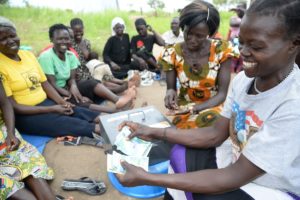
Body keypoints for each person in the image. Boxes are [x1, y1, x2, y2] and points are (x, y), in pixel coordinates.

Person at [116, 0, 300, 199]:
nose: (243, 52)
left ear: (294, 44)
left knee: (206, 195)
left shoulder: (293, 104)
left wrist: (149, 178)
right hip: (235, 161)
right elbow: (215, 134)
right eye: (242, 43)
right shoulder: (242, 81)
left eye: (255, 46)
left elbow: (234, 176)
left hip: (273, 187)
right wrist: (151, 131)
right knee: (178, 155)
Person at [0, 17, 101, 138]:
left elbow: (45, 84)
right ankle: (98, 129)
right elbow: (13, 106)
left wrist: (62, 102)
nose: (10, 41)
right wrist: (53, 108)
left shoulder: (28, 55)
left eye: (12, 36)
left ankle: (106, 120)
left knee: (75, 110)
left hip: (46, 103)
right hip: (24, 114)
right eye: (3, 39)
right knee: (62, 122)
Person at [161, 1, 233, 129]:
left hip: (212, 107)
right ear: (183, 27)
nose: (192, 39)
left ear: (209, 34)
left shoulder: (222, 50)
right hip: (183, 109)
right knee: (183, 136)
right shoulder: (171, 53)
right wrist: (170, 94)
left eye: (199, 36)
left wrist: (194, 109)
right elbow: (171, 88)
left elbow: (222, 95)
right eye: (188, 32)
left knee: (212, 128)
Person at [38, 24, 135, 113]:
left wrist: (74, 87)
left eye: (66, 39)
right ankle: (113, 110)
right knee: (77, 101)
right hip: (54, 92)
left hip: (66, 87)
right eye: (60, 39)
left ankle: (118, 100)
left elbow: (72, 79)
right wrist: (72, 94)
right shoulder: (46, 57)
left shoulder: (70, 55)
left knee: (91, 83)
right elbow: (52, 84)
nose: (64, 42)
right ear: (52, 39)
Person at [0, 75, 55, 199]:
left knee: (28, 166)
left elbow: (5, 104)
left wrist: (10, 133)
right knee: (8, 188)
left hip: (2, 130)